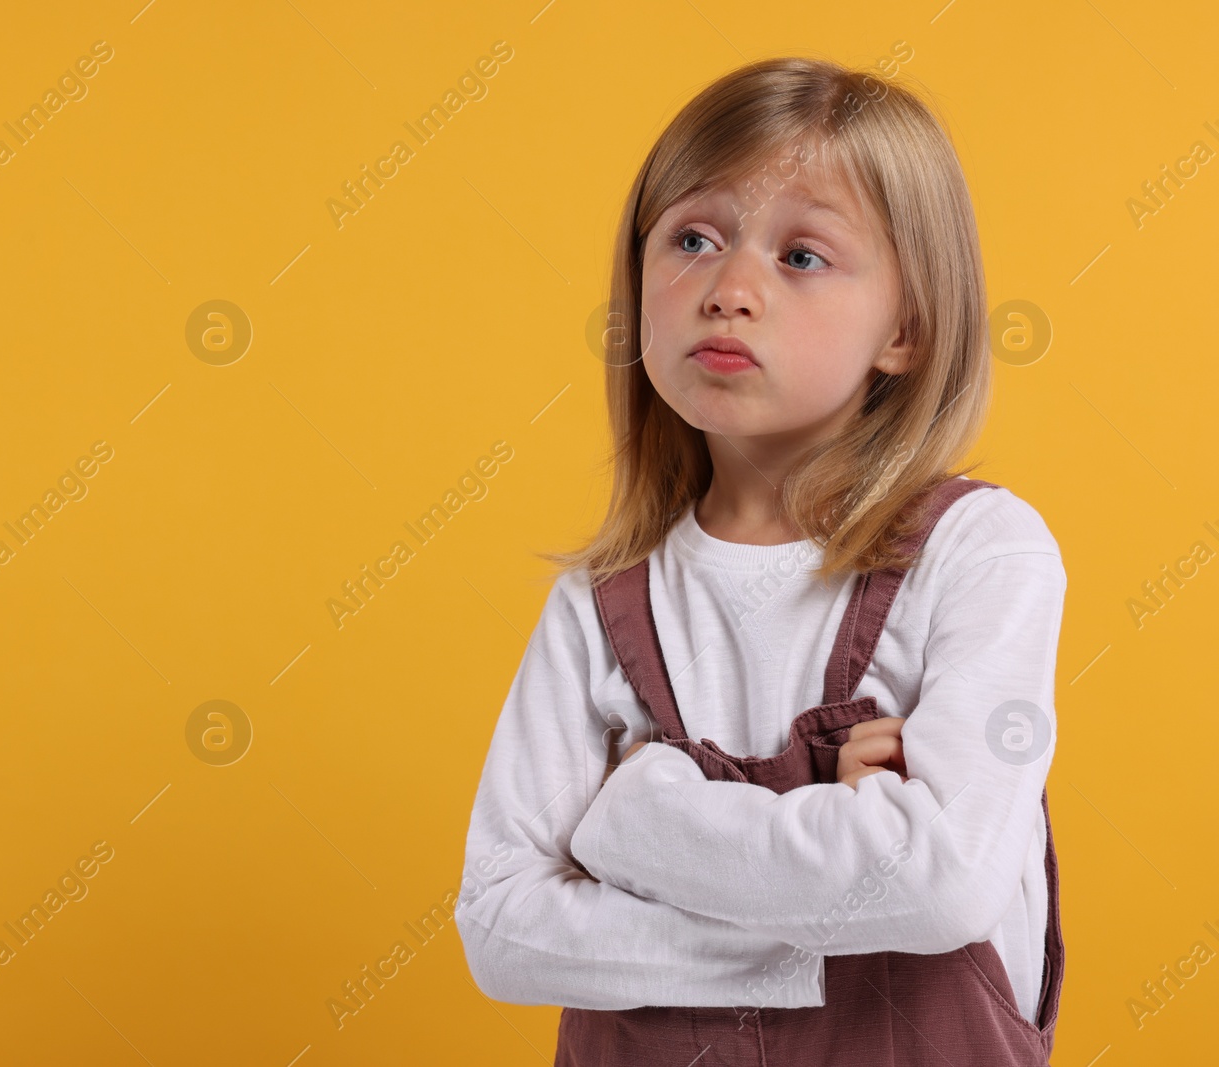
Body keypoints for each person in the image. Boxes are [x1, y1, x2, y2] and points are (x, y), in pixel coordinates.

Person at [455, 56, 1067, 1065]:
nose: (729, 288)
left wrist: (633, 820)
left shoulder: (978, 552)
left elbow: (944, 880)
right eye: (692, 238)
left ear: (906, 328)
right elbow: (504, 928)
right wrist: (817, 884)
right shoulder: (595, 604)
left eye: (801, 255)